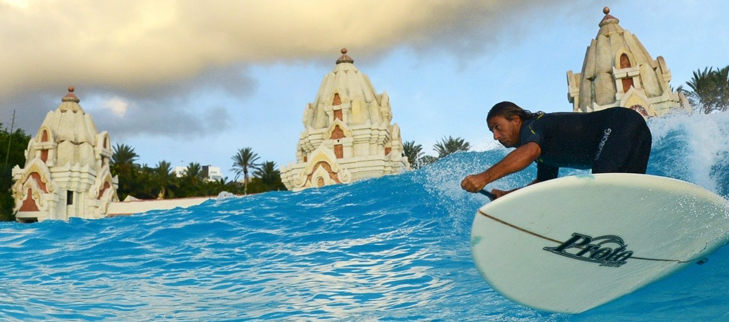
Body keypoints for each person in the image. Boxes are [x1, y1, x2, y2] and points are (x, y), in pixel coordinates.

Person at [460, 101, 652, 198]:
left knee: (603, 186)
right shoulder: (545, 149)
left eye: (497, 127)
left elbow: (529, 152)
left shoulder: (532, 127)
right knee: (629, 194)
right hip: (634, 129)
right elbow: (544, 183)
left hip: (619, 124)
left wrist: (484, 178)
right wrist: (509, 195)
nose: (495, 136)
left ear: (516, 120)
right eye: (491, 130)